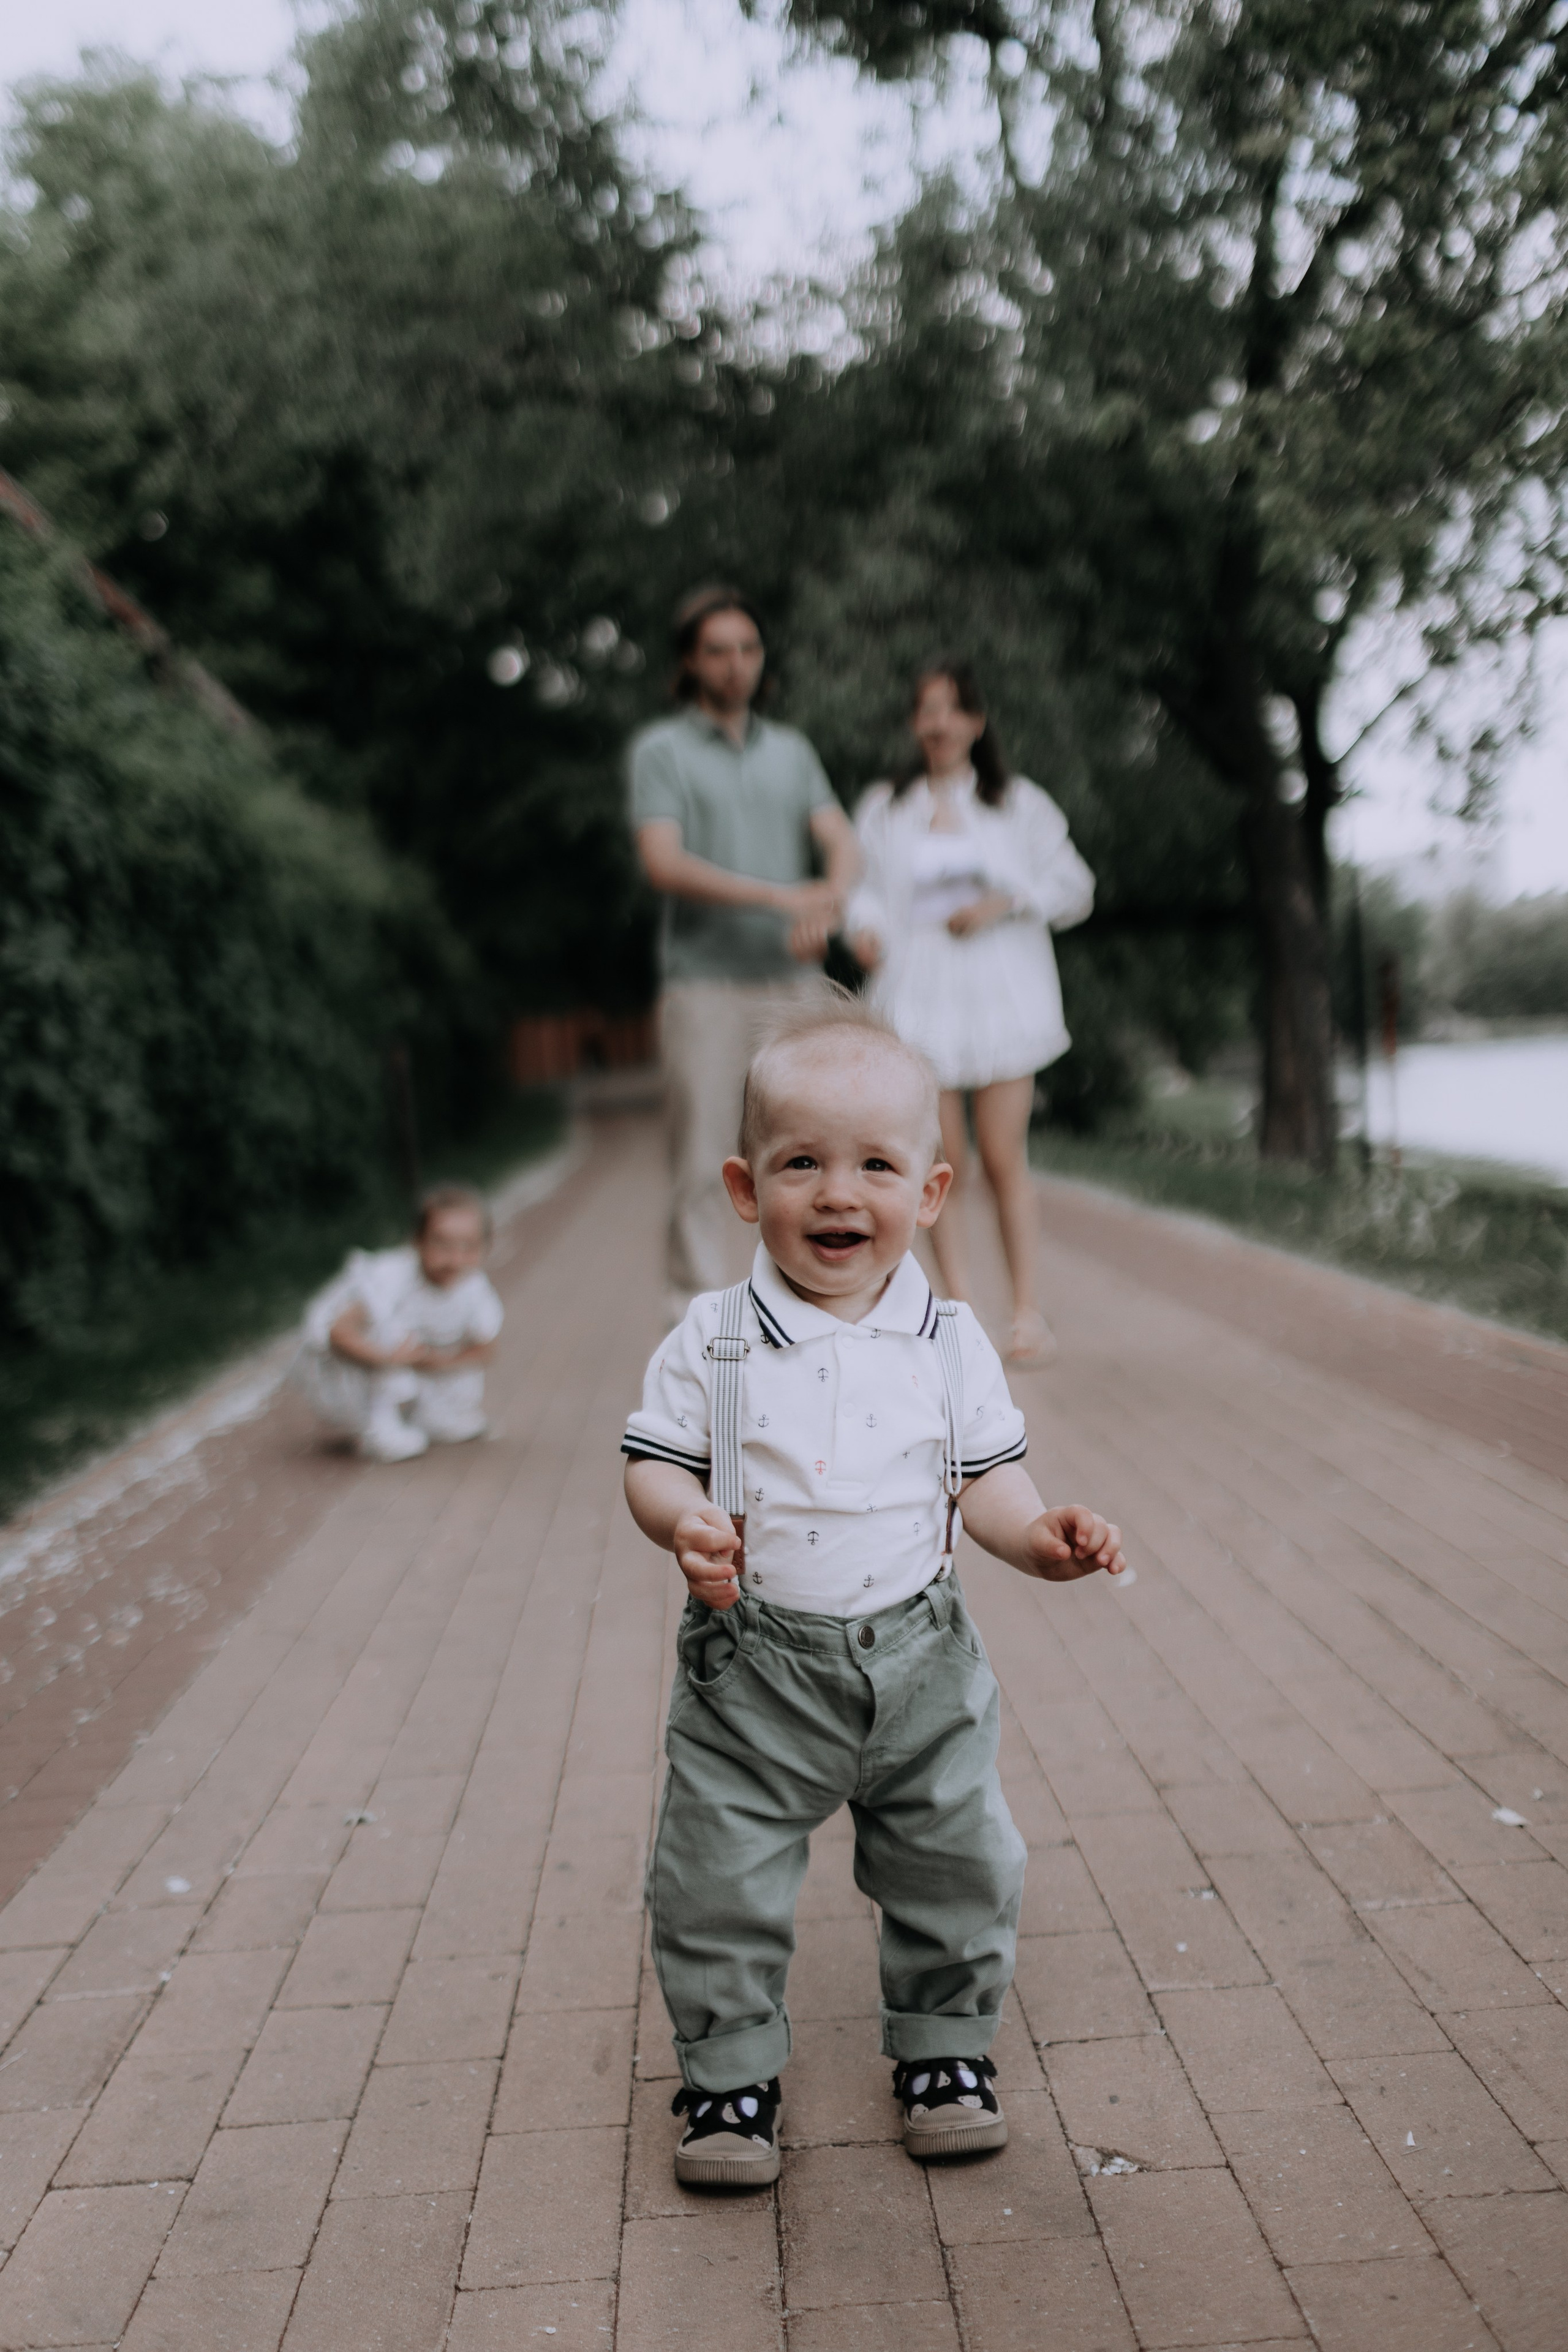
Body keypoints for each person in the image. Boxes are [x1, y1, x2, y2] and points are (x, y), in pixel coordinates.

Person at [622, 993, 1126, 2185]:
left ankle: (944, 2049)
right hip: (753, 1670)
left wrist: (1038, 1536)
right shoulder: (712, 1338)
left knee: (959, 1860)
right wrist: (680, 1521)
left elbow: (986, 1484)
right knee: (712, 1875)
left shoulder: (950, 1340)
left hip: (919, 1667)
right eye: (802, 1164)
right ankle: (728, 2075)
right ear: (747, 1190)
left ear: (930, 1193)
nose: (837, 1194)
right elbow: (653, 1462)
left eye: (874, 1166)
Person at [845, 661, 1095, 1365]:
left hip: (1000, 998)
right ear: (913, 723)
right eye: (926, 710)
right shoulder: (884, 807)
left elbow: (1074, 886)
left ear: (976, 723)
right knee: (939, 1161)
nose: (939, 723)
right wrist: (861, 928)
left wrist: (1003, 903)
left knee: (1004, 1159)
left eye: (953, 710)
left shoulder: (1017, 804)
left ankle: (1025, 1313)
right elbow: (861, 891)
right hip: (918, 997)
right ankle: (959, 1312)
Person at [631, 585, 859, 1324]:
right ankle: (693, 1327)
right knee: (701, 1163)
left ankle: (806, 1309)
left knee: (807, 1153)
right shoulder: (660, 752)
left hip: (793, 988)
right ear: (691, 664)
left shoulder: (791, 750)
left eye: (748, 649)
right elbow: (663, 863)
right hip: (703, 987)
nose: (736, 665)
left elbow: (842, 842)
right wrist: (781, 897)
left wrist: (829, 896)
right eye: (718, 651)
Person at [293, 1183, 503, 1463]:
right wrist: (389, 1359)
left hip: (416, 1362)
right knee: (390, 1325)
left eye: (469, 1247)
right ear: (417, 1241)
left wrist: (437, 1361)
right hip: (344, 1371)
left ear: (485, 1247)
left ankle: (434, 1414)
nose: (455, 1259)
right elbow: (338, 1332)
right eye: (442, 1244)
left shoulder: (474, 1287)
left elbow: (485, 1348)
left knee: (462, 1365)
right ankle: (379, 1427)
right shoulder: (391, 1278)